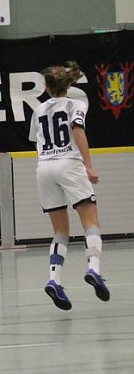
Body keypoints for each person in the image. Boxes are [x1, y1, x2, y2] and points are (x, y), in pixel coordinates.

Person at [28, 61, 110, 310]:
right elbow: (78, 132)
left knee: (60, 231)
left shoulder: (38, 110)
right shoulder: (76, 104)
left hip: (44, 167)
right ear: (68, 85)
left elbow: (35, 142)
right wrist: (89, 166)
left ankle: (54, 279)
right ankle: (93, 269)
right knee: (90, 221)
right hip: (69, 163)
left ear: (46, 87)